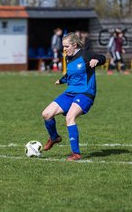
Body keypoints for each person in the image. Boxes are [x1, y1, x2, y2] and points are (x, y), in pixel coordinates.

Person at [41, 32, 106, 161]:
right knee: (46, 114)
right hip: (70, 93)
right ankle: (54, 137)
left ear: (74, 45)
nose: (64, 49)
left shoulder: (85, 54)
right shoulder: (68, 57)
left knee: (70, 117)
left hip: (85, 93)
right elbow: (71, 75)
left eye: (66, 46)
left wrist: (96, 60)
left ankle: (76, 153)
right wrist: (61, 80)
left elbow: (102, 57)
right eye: (63, 47)